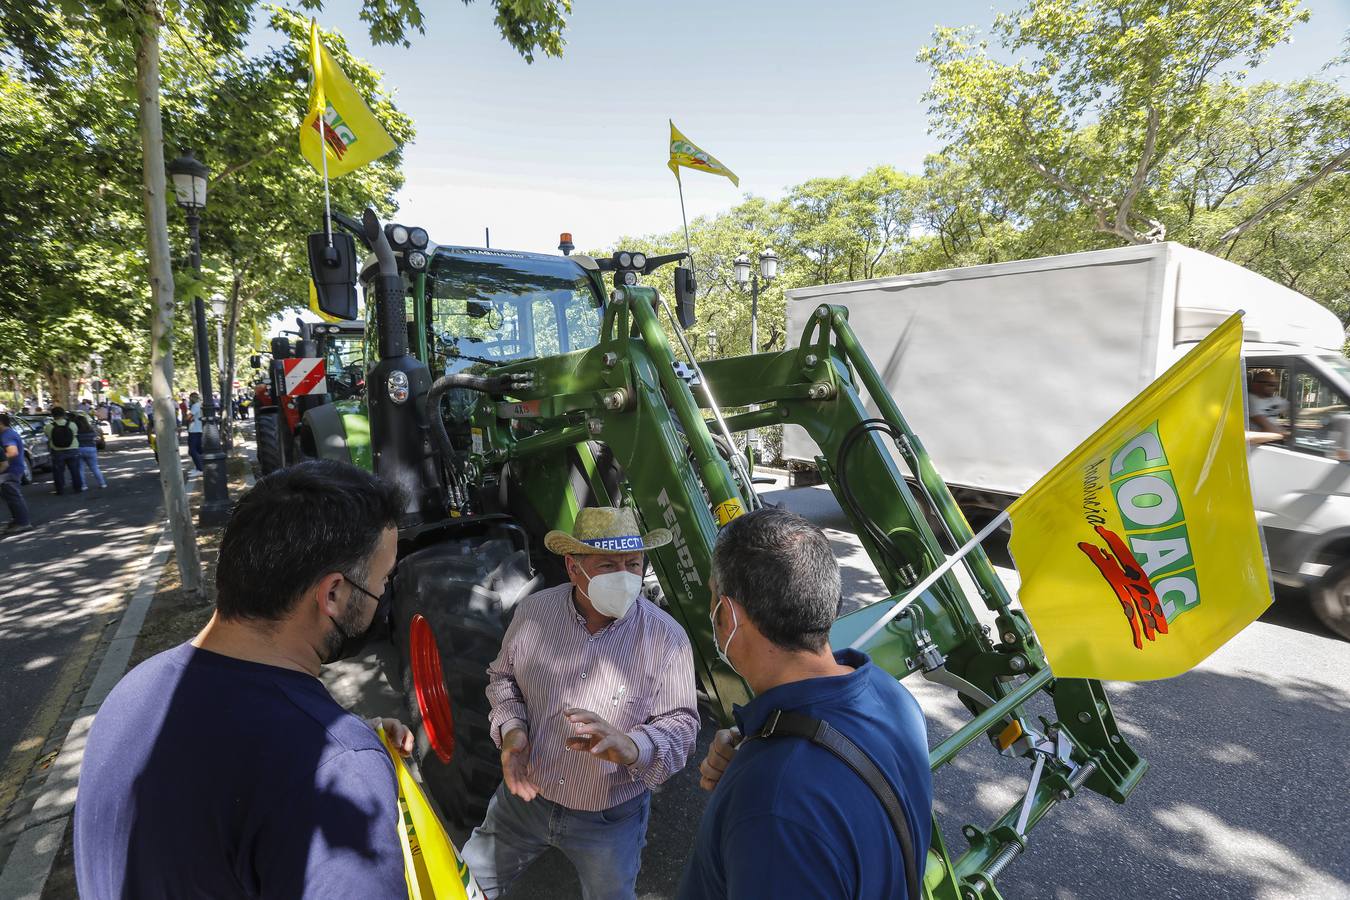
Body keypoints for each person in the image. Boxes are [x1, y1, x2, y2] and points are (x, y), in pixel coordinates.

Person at [74, 460, 414, 899]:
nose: (383, 597)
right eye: (382, 582)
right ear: (333, 594)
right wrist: (344, 756)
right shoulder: (336, 772)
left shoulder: (132, 693)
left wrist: (336, 739)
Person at [677, 507, 933, 900]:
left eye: (713, 594)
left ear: (726, 615)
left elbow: (793, 808)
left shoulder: (773, 806)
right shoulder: (888, 694)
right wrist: (756, 749)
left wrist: (763, 775)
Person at [461, 506, 699, 900]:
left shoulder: (666, 639)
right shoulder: (535, 613)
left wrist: (633, 746)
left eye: (634, 564)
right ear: (573, 567)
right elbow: (503, 679)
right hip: (525, 800)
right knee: (466, 883)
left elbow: (683, 727)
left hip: (609, 820)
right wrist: (513, 732)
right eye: (608, 564)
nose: (625, 577)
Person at [0, 414, 33, 534]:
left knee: (13, 496)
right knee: (10, 496)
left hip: (10, 471)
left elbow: (12, 452)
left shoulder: (7, 435)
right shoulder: (7, 434)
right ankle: (18, 520)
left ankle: (23, 523)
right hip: (10, 470)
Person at [44, 405, 85, 495]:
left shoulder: (49, 426)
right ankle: (78, 487)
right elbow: (75, 434)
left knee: (58, 472)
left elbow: (48, 436)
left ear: (52, 415)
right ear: (63, 414)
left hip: (57, 451)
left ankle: (60, 489)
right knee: (75, 470)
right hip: (73, 449)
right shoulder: (72, 424)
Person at [73, 408, 108, 489]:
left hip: (79, 449)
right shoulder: (91, 430)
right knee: (95, 468)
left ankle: (83, 485)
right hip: (91, 449)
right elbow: (97, 438)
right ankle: (102, 483)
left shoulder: (76, 432)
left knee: (80, 469)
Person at [1248, 369, 1289, 436]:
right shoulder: (1250, 401)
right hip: (1258, 444)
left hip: (1274, 438)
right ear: (1256, 384)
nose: (1275, 388)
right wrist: (1287, 433)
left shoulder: (1275, 399)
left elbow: (1296, 411)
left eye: (1275, 384)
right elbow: (1268, 428)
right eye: (1271, 384)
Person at [186, 391, 203, 471]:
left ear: (192, 398)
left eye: (190, 399)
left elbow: (189, 417)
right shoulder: (201, 405)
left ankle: (200, 468)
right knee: (199, 450)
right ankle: (200, 467)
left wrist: (188, 418)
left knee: (192, 450)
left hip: (194, 430)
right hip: (199, 429)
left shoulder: (195, 406)